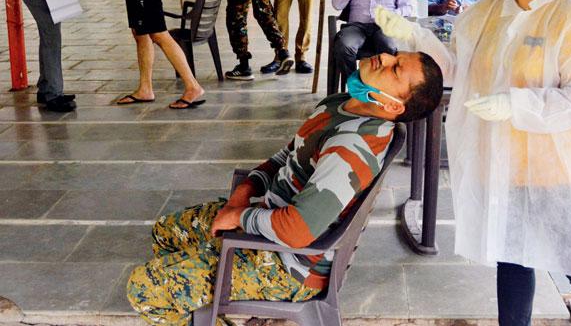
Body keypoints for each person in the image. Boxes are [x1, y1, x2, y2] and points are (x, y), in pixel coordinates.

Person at [375, 0, 571, 326]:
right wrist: (412, 34)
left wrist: (517, 104)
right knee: (512, 259)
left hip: (564, 170)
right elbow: (457, 64)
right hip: (510, 165)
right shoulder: (490, 12)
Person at [126, 51, 444, 326]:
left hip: (285, 264)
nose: (385, 59)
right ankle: (201, 301)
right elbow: (288, 155)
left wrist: (240, 217)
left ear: (392, 107)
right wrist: (248, 186)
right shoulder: (341, 104)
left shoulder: (350, 148)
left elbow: (298, 230)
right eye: (395, 56)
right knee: (164, 232)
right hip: (267, 219)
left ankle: (196, 295)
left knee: (144, 289)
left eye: (395, 69)